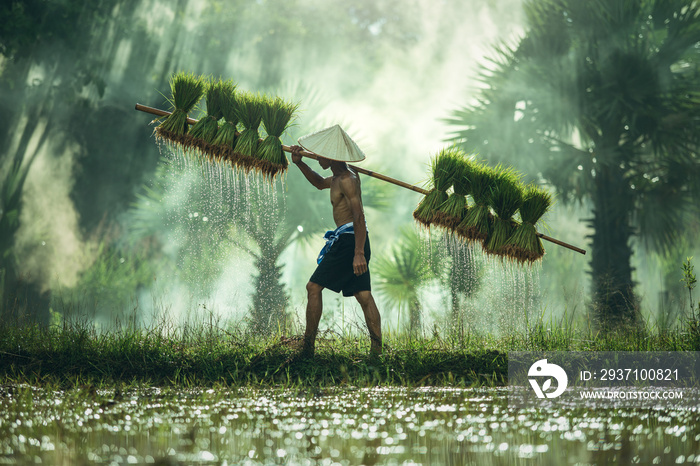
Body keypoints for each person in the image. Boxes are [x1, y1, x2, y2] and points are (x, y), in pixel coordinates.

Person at [290, 125, 382, 358]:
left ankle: (307, 349)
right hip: (350, 238)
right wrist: (300, 163)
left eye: (321, 153)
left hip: (351, 240)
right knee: (363, 295)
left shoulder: (348, 180)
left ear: (332, 156)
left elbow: (359, 216)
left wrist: (358, 252)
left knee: (313, 287)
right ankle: (376, 352)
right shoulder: (337, 178)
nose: (318, 156)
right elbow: (319, 182)